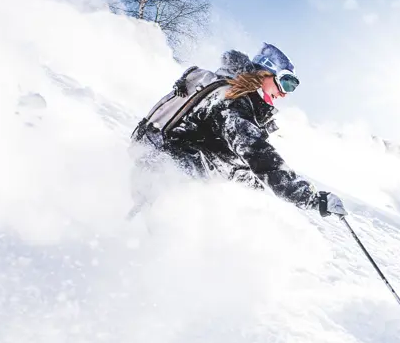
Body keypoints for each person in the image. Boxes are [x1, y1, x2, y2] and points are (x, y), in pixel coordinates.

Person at [130, 43, 346, 218]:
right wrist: (313, 198)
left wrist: (263, 186)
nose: (285, 93)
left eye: (291, 87)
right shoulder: (233, 105)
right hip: (165, 178)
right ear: (265, 74)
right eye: (285, 83)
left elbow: (229, 163)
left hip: (164, 177)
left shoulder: (239, 105)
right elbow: (258, 155)